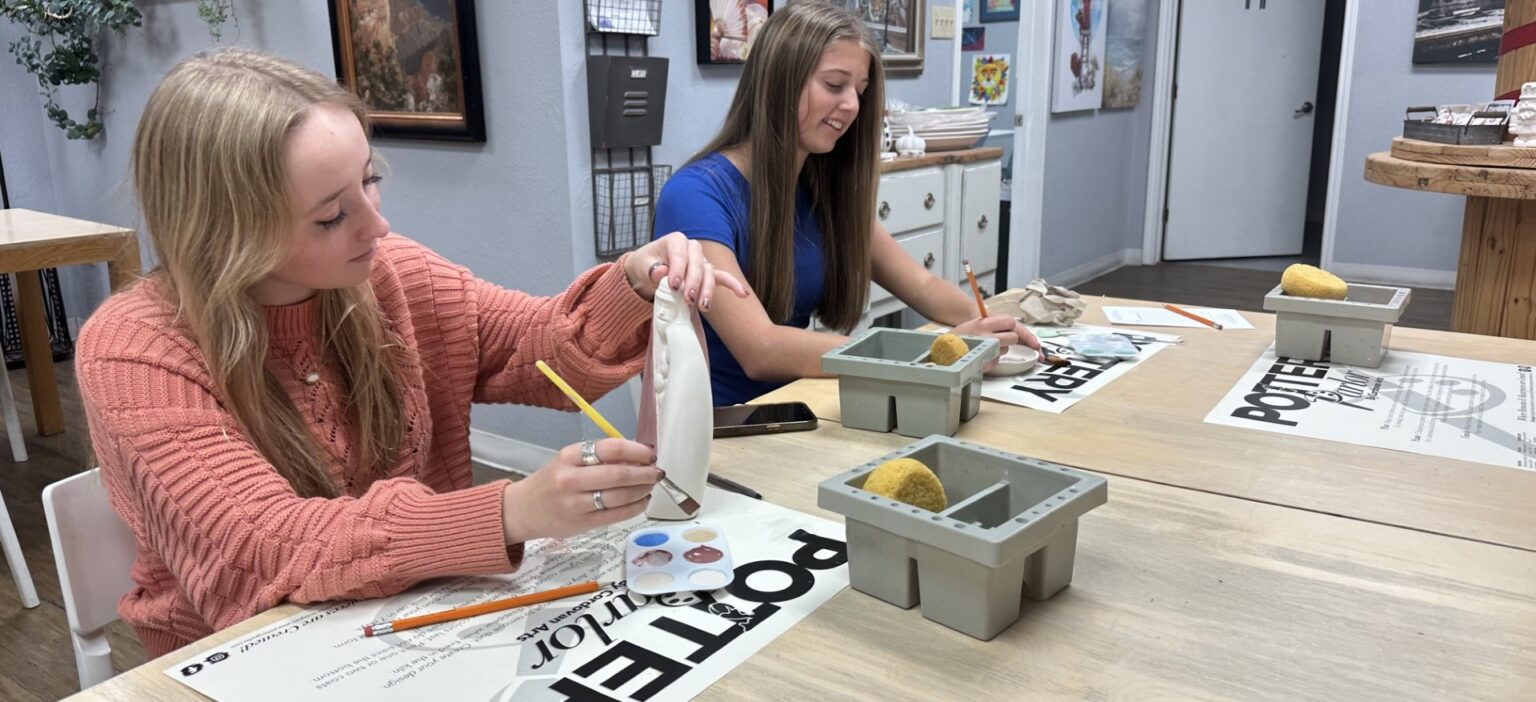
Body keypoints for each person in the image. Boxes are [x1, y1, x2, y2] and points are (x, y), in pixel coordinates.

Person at [75, 48, 745, 656]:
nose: (378, 223)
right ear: (226, 231)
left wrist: (632, 281)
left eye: (369, 180)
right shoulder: (135, 352)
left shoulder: (388, 273)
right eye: (331, 215)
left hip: (416, 617)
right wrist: (512, 512)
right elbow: (264, 551)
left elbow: (535, 349)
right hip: (240, 658)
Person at [652, 1, 1039, 406]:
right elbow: (760, 349)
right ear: (779, 82)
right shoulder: (695, 196)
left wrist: (989, 325)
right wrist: (927, 352)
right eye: (835, 85)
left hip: (806, 402)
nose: (853, 106)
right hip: (725, 428)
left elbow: (922, 285)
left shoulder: (822, 185)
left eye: (860, 91)